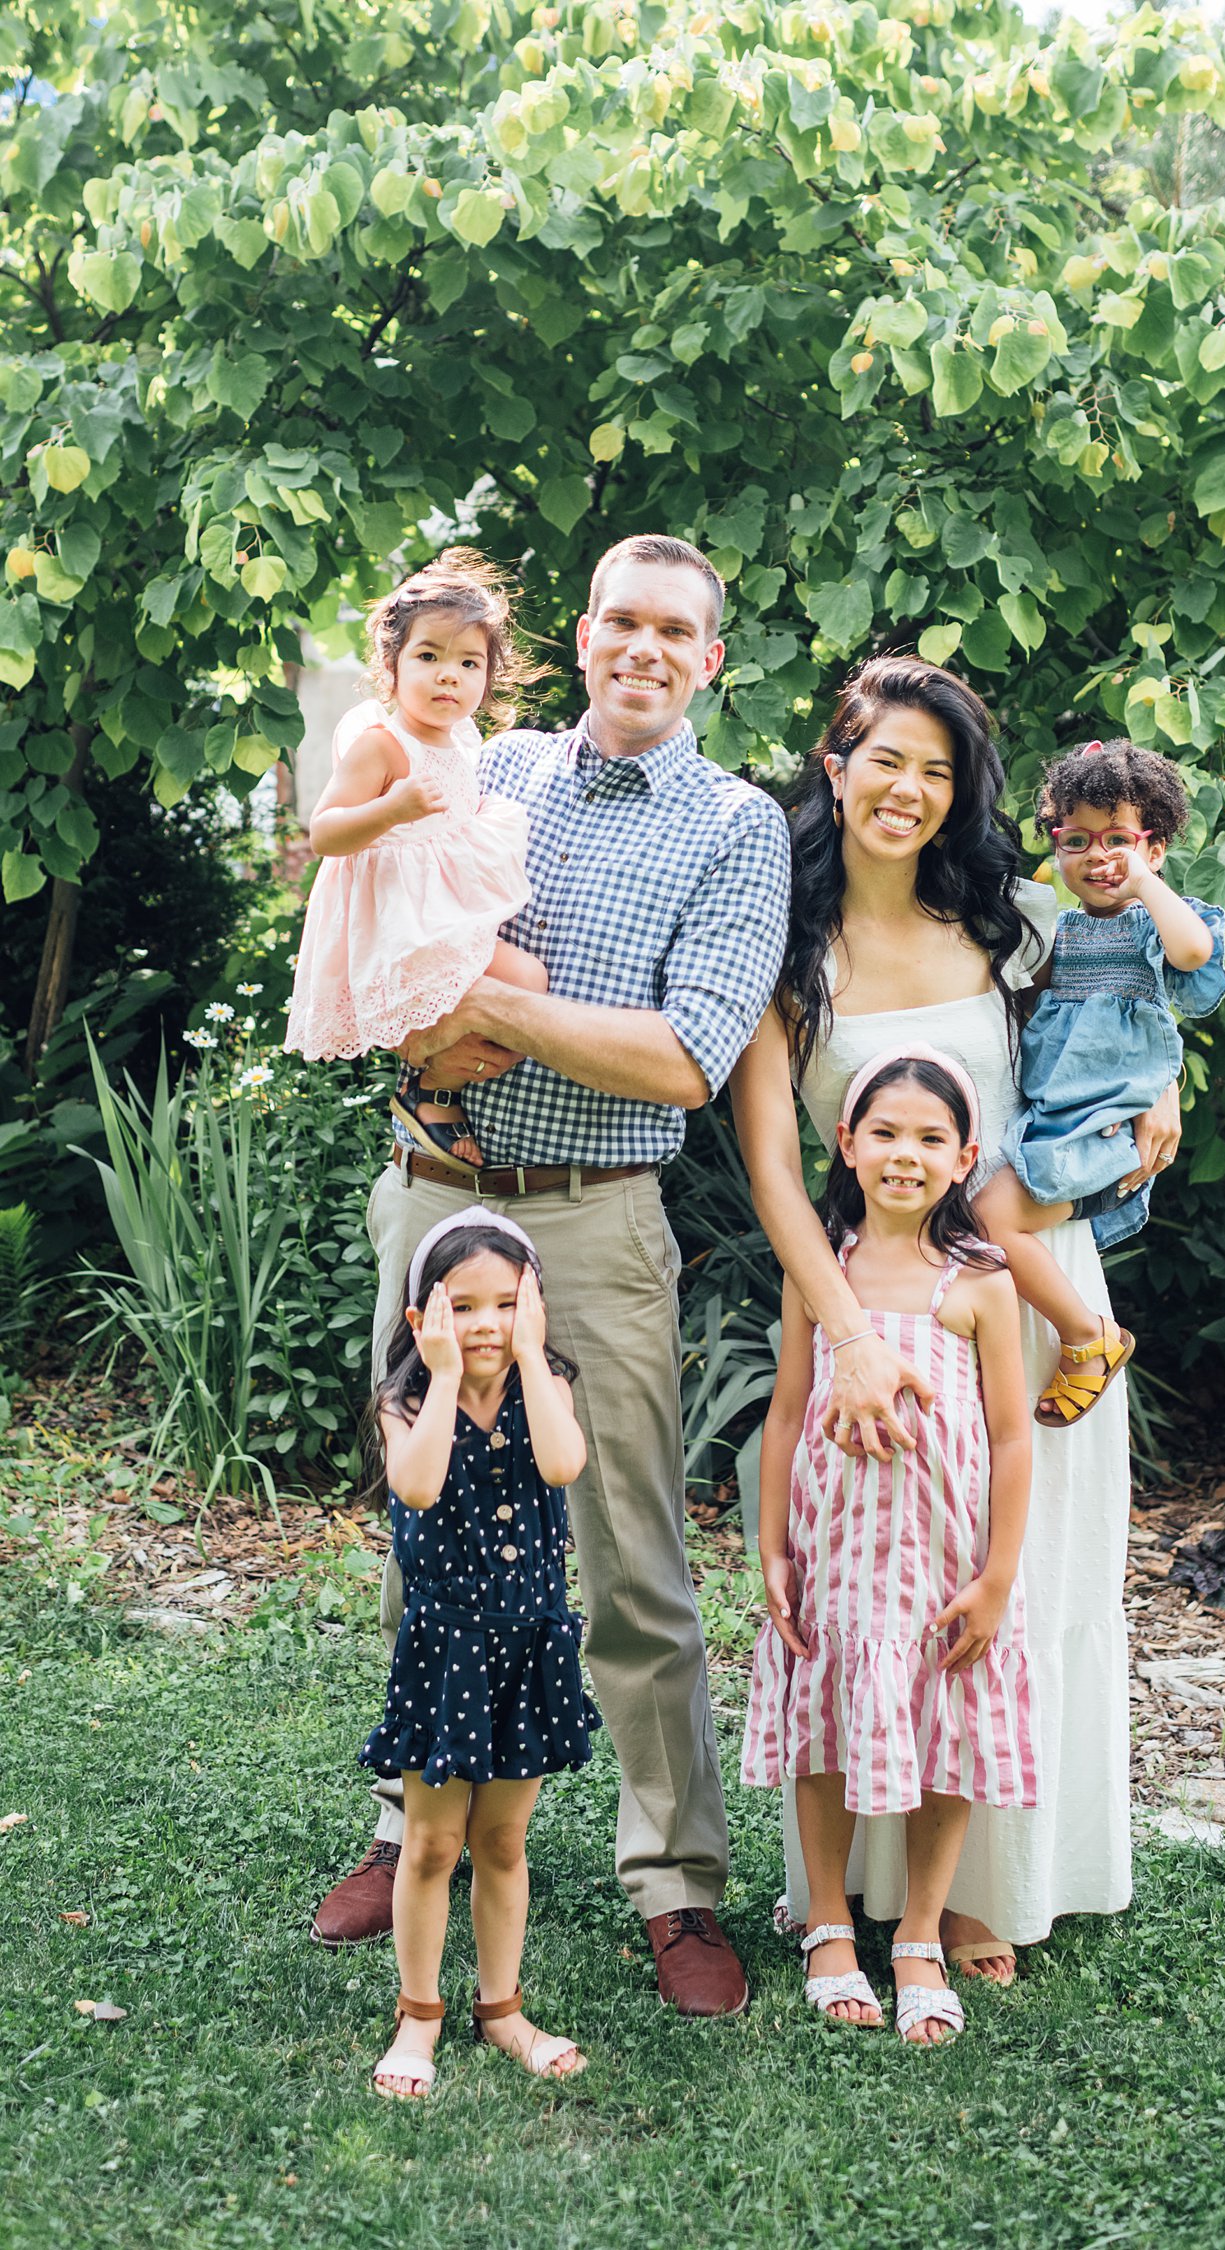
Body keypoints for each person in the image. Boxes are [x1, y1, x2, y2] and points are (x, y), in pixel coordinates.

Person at [312, 534, 791, 2021]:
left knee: (632, 1553)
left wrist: (492, 1001)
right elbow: (368, 940)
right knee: (428, 1516)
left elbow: (682, 1057)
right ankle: (411, 1822)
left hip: (594, 1214)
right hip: (436, 1190)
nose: (645, 649)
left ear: (710, 659)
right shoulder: (481, 760)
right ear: (582, 638)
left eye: (677, 632)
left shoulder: (736, 823)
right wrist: (427, 1019)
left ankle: (676, 1881)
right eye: (621, 622)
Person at [731, 655, 1180, 1980]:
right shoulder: (788, 956)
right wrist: (849, 1340)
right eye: (888, 759)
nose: (910, 789)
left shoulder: (1004, 925)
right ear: (837, 765)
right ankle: (864, 1887)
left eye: (939, 770)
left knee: (1026, 1586)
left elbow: (1125, 1012)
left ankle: (995, 1886)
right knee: (888, 1595)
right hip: (872, 1309)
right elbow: (770, 1168)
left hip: (1036, 1293)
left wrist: (1156, 1104)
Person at [741, 1048, 1036, 2045]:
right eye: (885, 1132)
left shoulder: (982, 1282)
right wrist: (772, 1546)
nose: (903, 1154)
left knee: (944, 1735)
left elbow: (1010, 1436)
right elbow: (786, 1412)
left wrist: (997, 1578)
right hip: (834, 1555)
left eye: (928, 1138)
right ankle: (828, 1920)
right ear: (846, 1143)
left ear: (965, 1157)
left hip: (942, 1565)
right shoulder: (825, 1270)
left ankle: (917, 1933)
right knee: (825, 1728)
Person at [362, 1209, 595, 2096]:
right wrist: (446, 1368)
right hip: (448, 1650)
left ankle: (502, 2009)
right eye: (464, 1306)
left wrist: (534, 1360)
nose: (488, 1324)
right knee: (430, 1843)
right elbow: (417, 1486)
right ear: (422, 1316)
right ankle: (417, 2016)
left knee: (501, 1841)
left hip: (530, 1645)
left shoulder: (549, 1385)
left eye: (508, 1303)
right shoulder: (408, 1403)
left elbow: (564, 1464)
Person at [987, 737, 1225, 1428]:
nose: (1099, 856)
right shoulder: (1055, 931)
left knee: (995, 1219)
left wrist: (1147, 884)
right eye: (1078, 840)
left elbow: (1193, 953)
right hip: (1056, 1115)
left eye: (1119, 838)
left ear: (1155, 847)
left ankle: (1088, 1337)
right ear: (1056, 847)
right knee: (993, 1217)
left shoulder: (1152, 926)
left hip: (1112, 1122)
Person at [285, 548, 547, 1168]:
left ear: (488, 677)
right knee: (521, 984)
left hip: (437, 907)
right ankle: (430, 1089)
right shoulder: (382, 745)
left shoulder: (463, 738)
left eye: (467, 662)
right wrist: (392, 809)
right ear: (392, 667)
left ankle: (434, 1082)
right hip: (396, 919)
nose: (447, 676)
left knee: (527, 985)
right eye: (428, 657)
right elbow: (324, 833)